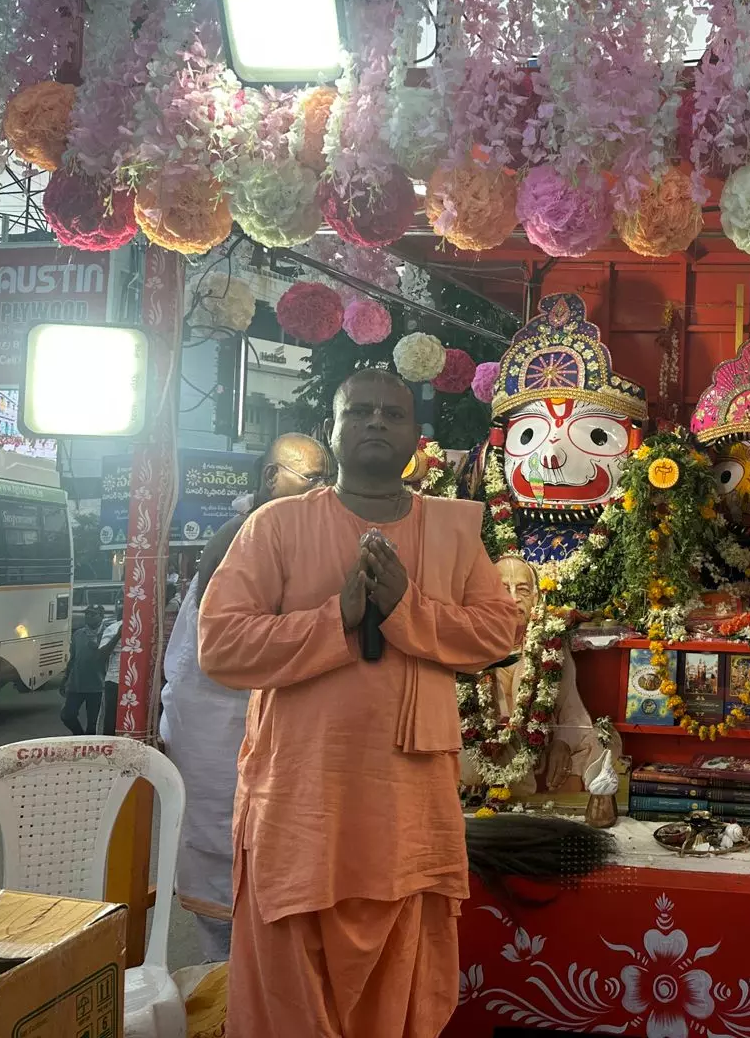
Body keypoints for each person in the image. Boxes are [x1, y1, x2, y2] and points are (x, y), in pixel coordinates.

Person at [200, 370, 519, 1038]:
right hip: (303, 801)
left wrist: (408, 607)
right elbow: (221, 645)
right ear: (331, 430)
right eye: (360, 412)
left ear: (414, 435)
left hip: (405, 807)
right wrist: (336, 619)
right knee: (291, 984)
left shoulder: (455, 531)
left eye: (393, 414)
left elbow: (500, 633)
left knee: (400, 978)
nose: (376, 423)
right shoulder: (277, 526)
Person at [160, 433, 329, 963]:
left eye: (327, 478)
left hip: (256, 725)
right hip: (220, 727)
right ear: (269, 477)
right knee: (225, 859)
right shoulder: (246, 534)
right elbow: (236, 647)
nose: (322, 490)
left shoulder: (289, 531)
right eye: (312, 478)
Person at [59, 604, 108, 734]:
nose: (89, 617)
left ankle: (88, 746)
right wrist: (65, 679)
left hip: (98, 686)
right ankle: (78, 735)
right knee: (67, 715)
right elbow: (73, 658)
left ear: (101, 617)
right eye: (87, 614)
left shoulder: (107, 634)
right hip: (77, 684)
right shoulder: (78, 634)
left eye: (93, 614)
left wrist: (97, 648)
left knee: (93, 724)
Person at [97, 614, 123, 736]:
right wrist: (118, 635)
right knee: (111, 718)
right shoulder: (113, 628)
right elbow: (101, 655)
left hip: (138, 682)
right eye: (120, 603)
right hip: (114, 680)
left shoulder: (145, 626)